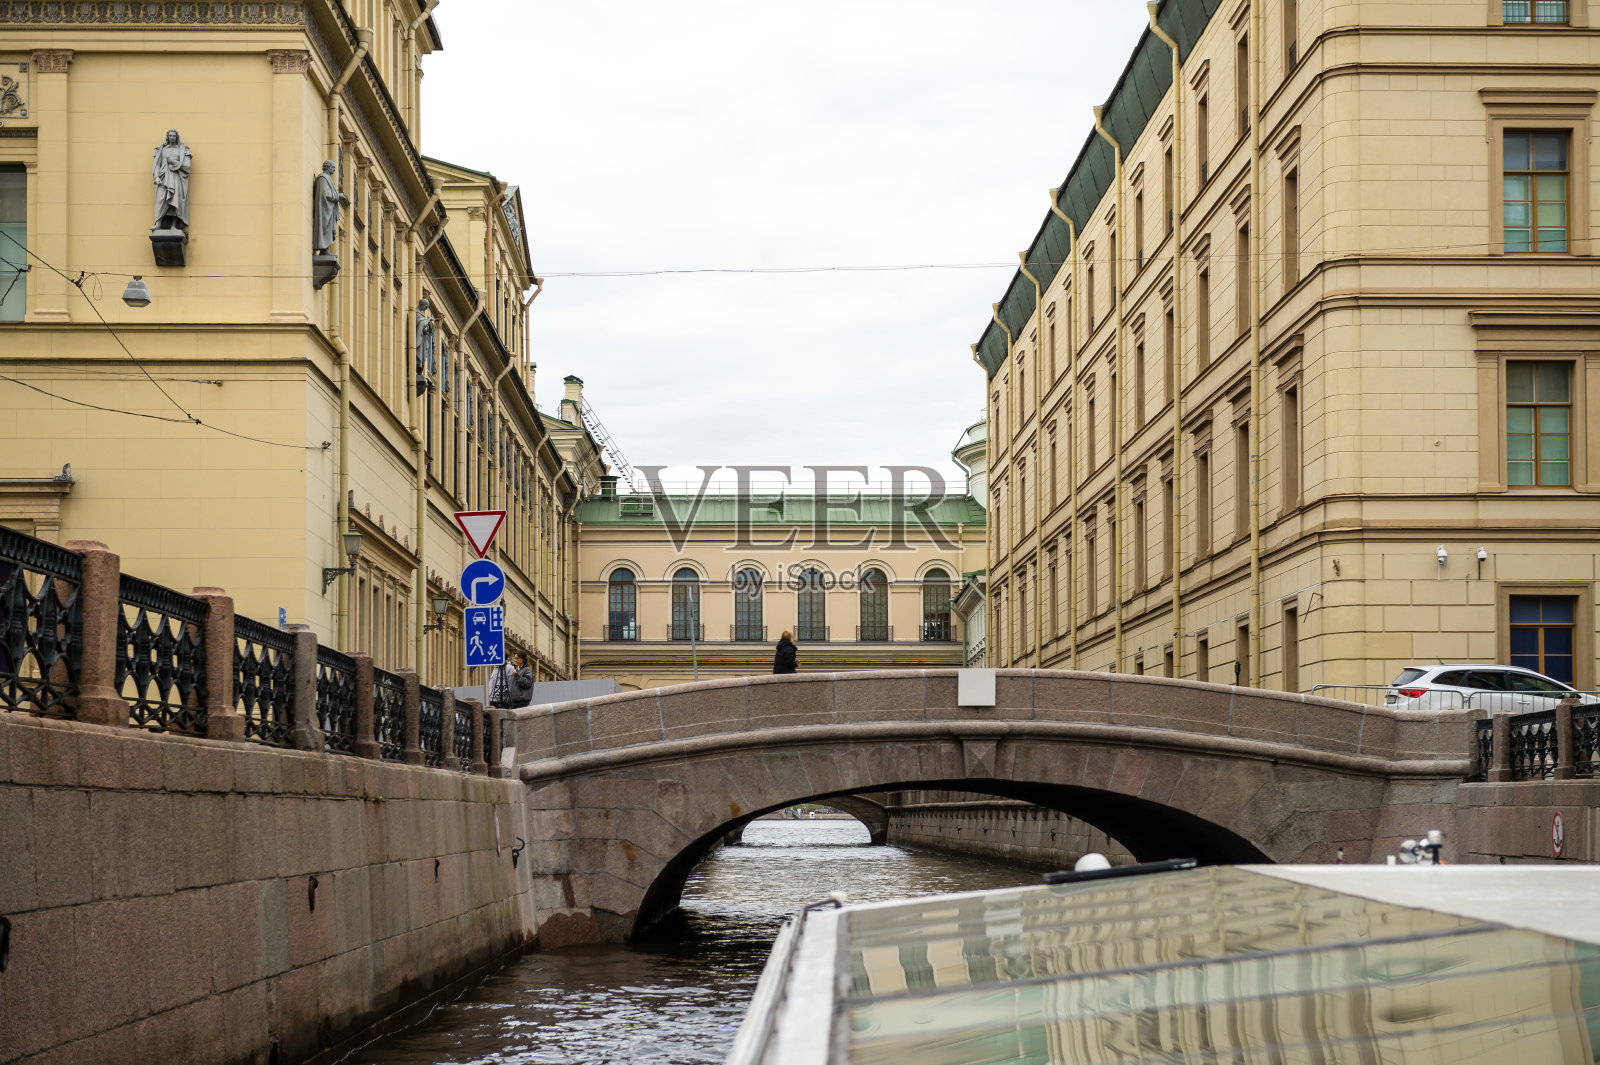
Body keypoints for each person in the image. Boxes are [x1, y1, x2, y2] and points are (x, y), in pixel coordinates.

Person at [151, 130, 192, 232]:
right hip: (163, 178)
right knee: (161, 200)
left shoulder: (183, 150)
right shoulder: (162, 150)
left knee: (175, 201)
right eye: (170, 136)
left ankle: (174, 225)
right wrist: (156, 177)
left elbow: (187, 166)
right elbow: (157, 165)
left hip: (176, 178)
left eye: (174, 136)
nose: (172, 137)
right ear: (167, 137)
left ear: (176, 137)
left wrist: (173, 161)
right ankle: (158, 223)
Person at [312, 159, 349, 254]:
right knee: (325, 229)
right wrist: (338, 196)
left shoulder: (327, 179)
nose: (334, 170)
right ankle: (324, 250)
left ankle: (325, 250)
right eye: (333, 167)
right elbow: (325, 194)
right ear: (327, 167)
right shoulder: (323, 178)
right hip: (325, 211)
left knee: (329, 229)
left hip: (329, 210)